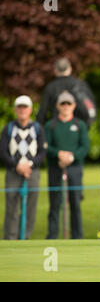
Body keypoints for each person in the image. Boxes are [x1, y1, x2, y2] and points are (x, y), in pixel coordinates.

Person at [0, 96, 47, 239]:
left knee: (30, 208)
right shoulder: (8, 128)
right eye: (19, 107)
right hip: (13, 172)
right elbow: (2, 152)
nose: (22, 110)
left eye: (25, 107)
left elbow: (42, 151)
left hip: (32, 172)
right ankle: (10, 239)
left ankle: (25, 238)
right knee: (11, 208)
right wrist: (17, 165)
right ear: (15, 109)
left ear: (30, 109)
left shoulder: (37, 128)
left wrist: (30, 164)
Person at [45, 91, 89, 239]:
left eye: (68, 104)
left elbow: (85, 147)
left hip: (75, 168)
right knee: (55, 203)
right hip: (55, 167)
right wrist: (59, 154)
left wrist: (71, 156)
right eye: (63, 104)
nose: (65, 106)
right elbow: (46, 146)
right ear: (58, 106)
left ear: (74, 106)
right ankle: (53, 236)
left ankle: (77, 237)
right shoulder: (50, 125)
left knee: (75, 203)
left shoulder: (79, 124)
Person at [37, 57, 96, 127]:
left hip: (56, 129)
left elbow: (42, 113)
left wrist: (45, 130)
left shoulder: (50, 87)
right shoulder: (80, 85)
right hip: (78, 128)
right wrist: (86, 126)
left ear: (55, 70)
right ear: (70, 69)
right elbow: (91, 108)